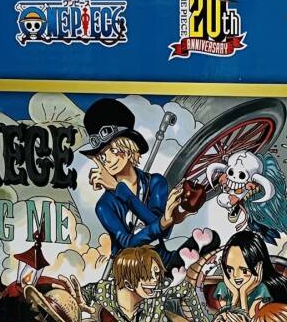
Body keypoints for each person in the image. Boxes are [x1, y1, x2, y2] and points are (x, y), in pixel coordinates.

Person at [81, 98, 213, 271]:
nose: (108, 160)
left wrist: (165, 221)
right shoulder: (105, 205)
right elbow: (128, 243)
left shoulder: (156, 183)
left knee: (211, 240)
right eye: (102, 155)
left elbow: (163, 230)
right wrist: (120, 191)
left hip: (162, 262)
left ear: (129, 148)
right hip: (130, 269)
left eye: (113, 150)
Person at [81, 245, 209, 322]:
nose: (155, 279)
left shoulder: (162, 288)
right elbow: (84, 293)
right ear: (128, 283)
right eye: (148, 275)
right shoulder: (105, 291)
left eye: (156, 274)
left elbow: (186, 288)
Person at [212, 231, 287, 310]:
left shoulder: (261, 290)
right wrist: (235, 296)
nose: (235, 275)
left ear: (259, 268)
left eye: (244, 270)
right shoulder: (224, 288)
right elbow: (226, 319)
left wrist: (243, 293)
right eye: (230, 269)